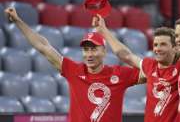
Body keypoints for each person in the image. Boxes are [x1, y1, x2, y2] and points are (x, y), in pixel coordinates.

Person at [4, 7, 142, 122]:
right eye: (86, 49)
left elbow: (149, 72)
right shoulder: (74, 70)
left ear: (104, 52)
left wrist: (105, 32)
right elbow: (43, 46)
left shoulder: (119, 74)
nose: (89, 54)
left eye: (94, 49)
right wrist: (18, 21)